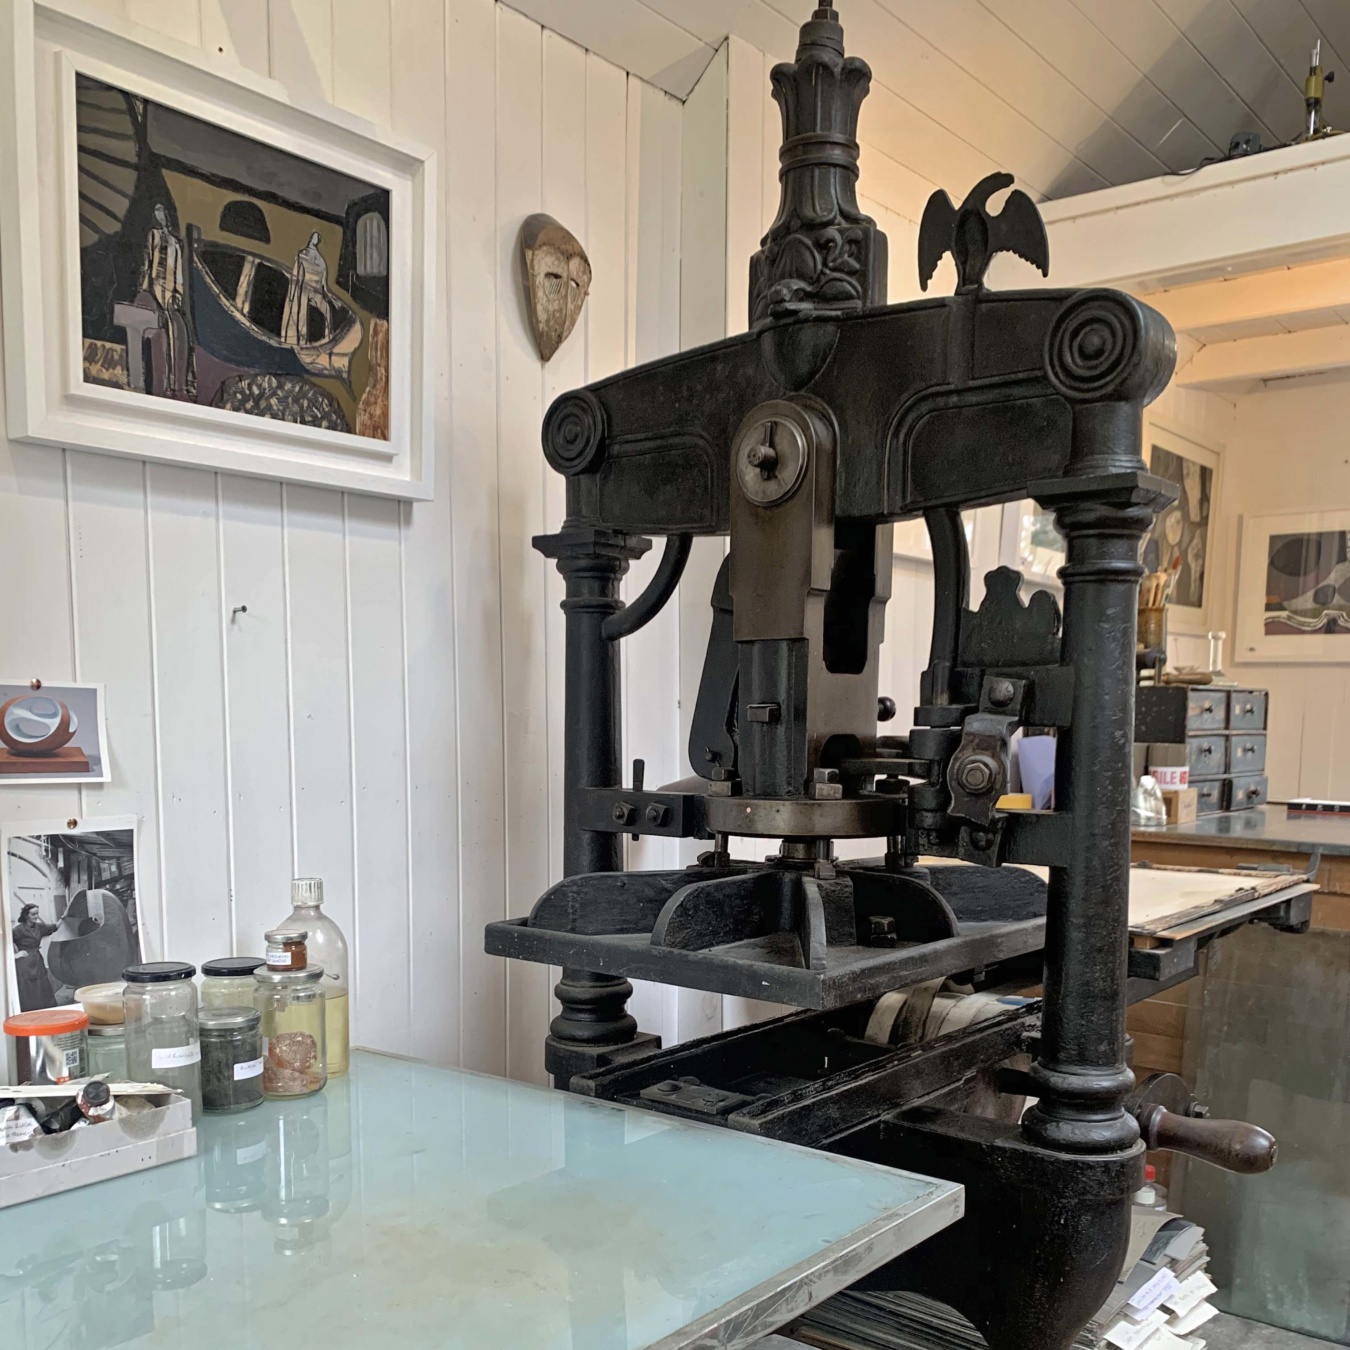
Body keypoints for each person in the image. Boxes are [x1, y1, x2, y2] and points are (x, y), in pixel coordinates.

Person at [281, 231, 333, 346]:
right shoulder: (304, 255)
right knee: (300, 312)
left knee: (325, 309)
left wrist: (328, 296)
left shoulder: (319, 260)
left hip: (311, 291)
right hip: (304, 289)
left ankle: (326, 338)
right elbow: (297, 276)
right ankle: (295, 340)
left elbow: (323, 283)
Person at [12, 903, 58, 1011]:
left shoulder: (40, 927)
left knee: (43, 985)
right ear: (26, 915)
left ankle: (47, 1011)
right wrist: (15, 955)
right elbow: (4, 943)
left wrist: (65, 917)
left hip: (38, 960)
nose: (36, 916)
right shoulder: (17, 930)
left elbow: (54, 927)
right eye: (33, 914)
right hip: (25, 963)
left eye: (37, 913)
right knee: (30, 988)